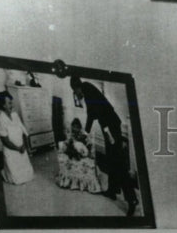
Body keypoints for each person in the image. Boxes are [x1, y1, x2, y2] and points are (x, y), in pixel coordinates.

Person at [69, 75, 138, 215]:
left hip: (111, 127)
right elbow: (92, 113)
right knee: (112, 159)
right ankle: (112, 190)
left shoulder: (87, 89)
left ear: (76, 88)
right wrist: (86, 133)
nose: (76, 95)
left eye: (75, 92)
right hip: (108, 126)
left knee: (118, 162)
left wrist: (107, 135)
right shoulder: (87, 88)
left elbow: (97, 112)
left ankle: (132, 200)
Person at [0, 91, 34, 185]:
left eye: (11, 102)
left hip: (21, 148)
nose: (12, 105)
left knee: (29, 176)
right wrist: (17, 148)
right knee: (17, 180)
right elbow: (5, 141)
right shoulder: (0, 119)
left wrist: (24, 145)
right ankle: (5, 171)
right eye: (9, 103)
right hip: (11, 150)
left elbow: (24, 132)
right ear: (3, 105)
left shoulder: (15, 115)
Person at [56, 118, 102, 194]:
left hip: (81, 149)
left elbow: (87, 144)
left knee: (79, 148)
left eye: (76, 127)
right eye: (73, 127)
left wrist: (82, 145)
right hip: (72, 149)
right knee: (71, 148)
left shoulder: (83, 134)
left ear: (79, 127)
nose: (75, 129)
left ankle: (77, 155)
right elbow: (68, 142)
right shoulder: (71, 135)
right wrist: (69, 143)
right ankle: (75, 155)